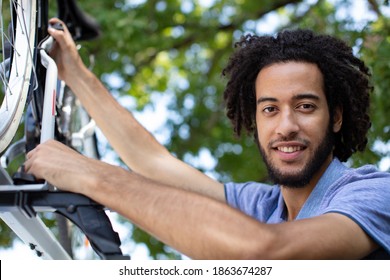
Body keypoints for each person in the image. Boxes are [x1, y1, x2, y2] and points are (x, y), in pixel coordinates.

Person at [25, 18, 390, 259]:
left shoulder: (373, 192)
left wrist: (95, 176)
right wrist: (74, 73)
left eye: (306, 106)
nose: (286, 126)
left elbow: (269, 253)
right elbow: (154, 164)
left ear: (336, 117)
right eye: (269, 109)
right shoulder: (260, 206)